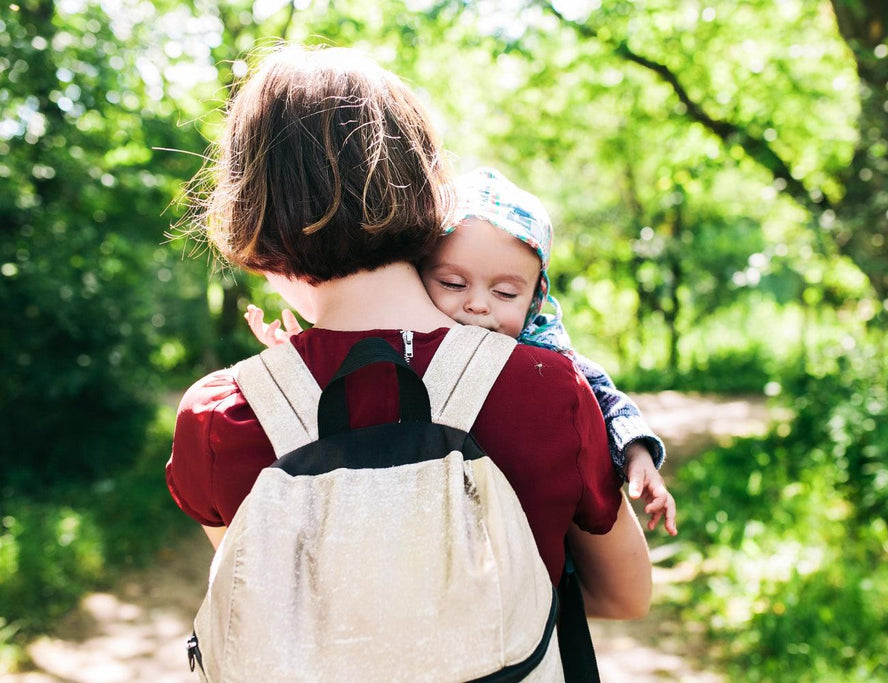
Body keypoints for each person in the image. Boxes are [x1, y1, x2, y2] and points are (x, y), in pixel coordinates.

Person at [166, 44, 651, 620]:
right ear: (424, 188)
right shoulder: (548, 389)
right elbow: (623, 597)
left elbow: (267, 607)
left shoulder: (221, 419)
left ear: (254, 213)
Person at [247, 167, 678, 535]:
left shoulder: (548, 358)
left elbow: (606, 397)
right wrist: (297, 356)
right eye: (452, 284)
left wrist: (637, 452)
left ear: (535, 299)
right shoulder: (407, 342)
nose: (477, 304)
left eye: (506, 292)